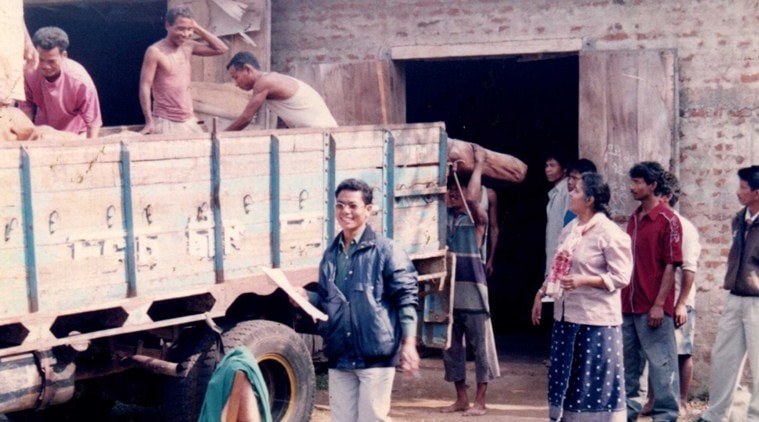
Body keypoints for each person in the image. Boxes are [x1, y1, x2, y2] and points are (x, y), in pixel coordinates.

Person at [298, 178, 420, 422]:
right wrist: (306, 297)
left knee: (372, 419)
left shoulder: (387, 250)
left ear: (368, 209)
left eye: (353, 206)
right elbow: (327, 301)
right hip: (340, 355)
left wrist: (409, 343)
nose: (346, 212)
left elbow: (406, 298)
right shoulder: (330, 255)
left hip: (375, 355)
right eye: (340, 205)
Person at [531, 172, 632, 421]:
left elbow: (621, 277)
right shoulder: (570, 229)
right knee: (568, 379)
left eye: (576, 191)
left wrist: (584, 280)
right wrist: (541, 292)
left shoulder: (609, 233)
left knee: (592, 382)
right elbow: (558, 268)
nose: (571, 195)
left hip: (595, 321)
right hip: (566, 317)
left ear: (590, 200)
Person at [621, 161, 683, 422]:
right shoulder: (634, 219)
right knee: (629, 366)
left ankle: (666, 415)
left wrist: (659, 304)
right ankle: (627, 412)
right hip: (628, 305)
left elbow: (671, 265)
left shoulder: (669, 220)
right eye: (632, 181)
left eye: (638, 182)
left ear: (653, 185)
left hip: (653, 306)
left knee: (661, 365)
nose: (632, 187)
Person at [442, 145, 500, 417]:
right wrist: (448, 174)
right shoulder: (442, 221)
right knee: (452, 350)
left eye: (458, 192)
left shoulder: (476, 219)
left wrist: (477, 167)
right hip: (449, 295)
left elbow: (475, 199)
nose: (453, 196)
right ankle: (461, 399)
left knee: (480, 349)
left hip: (475, 295)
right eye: (450, 193)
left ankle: (481, 401)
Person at [699, 166, 759, 422]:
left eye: (743, 188)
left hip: (757, 301)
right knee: (724, 358)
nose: (738, 192)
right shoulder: (739, 219)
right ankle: (716, 415)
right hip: (735, 296)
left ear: (757, 193)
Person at [641, 172, 702, 416]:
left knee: (682, 352)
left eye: (656, 196)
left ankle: (682, 401)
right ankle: (653, 400)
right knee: (655, 353)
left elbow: (688, 268)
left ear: (666, 196)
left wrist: (681, 303)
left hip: (678, 300)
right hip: (656, 299)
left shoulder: (683, 226)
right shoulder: (653, 222)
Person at [139, 5, 228, 135]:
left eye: (189, 29)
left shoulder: (188, 46)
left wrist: (196, 28)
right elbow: (145, 86)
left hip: (189, 120)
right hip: (166, 120)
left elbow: (221, 49)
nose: (185, 34)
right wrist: (149, 121)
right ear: (167, 26)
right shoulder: (155, 51)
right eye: (180, 29)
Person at [19, 26, 102, 138]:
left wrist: (91, 149)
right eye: (41, 59)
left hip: (76, 134)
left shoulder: (79, 80)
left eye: (51, 61)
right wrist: (26, 139)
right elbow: (25, 107)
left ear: (64, 56)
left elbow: (93, 121)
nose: (45, 66)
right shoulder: (28, 71)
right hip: (43, 134)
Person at [224, 51, 338, 130]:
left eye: (236, 77)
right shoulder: (271, 79)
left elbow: (246, 118)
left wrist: (220, 136)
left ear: (248, 69)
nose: (236, 84)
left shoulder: (264, 82)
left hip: (320, 132)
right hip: (319, 130)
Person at [544, 152, 569, 277]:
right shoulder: (555, 192)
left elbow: (568, 226)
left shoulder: (566, 191)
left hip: (561, 255)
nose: (547, 169)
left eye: (552, 166)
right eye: (546, 166)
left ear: (564, 169)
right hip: (553, 252)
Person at [563, 158, 597, 225]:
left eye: (574, 178)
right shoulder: (571, 207)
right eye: (569, 177)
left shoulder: (595, 218)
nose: (569, 182)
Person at [480, 186, 500, 277]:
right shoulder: (454, 193)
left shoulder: (489, 194)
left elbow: (493, 227)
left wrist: (491, 259)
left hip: (480, 250)